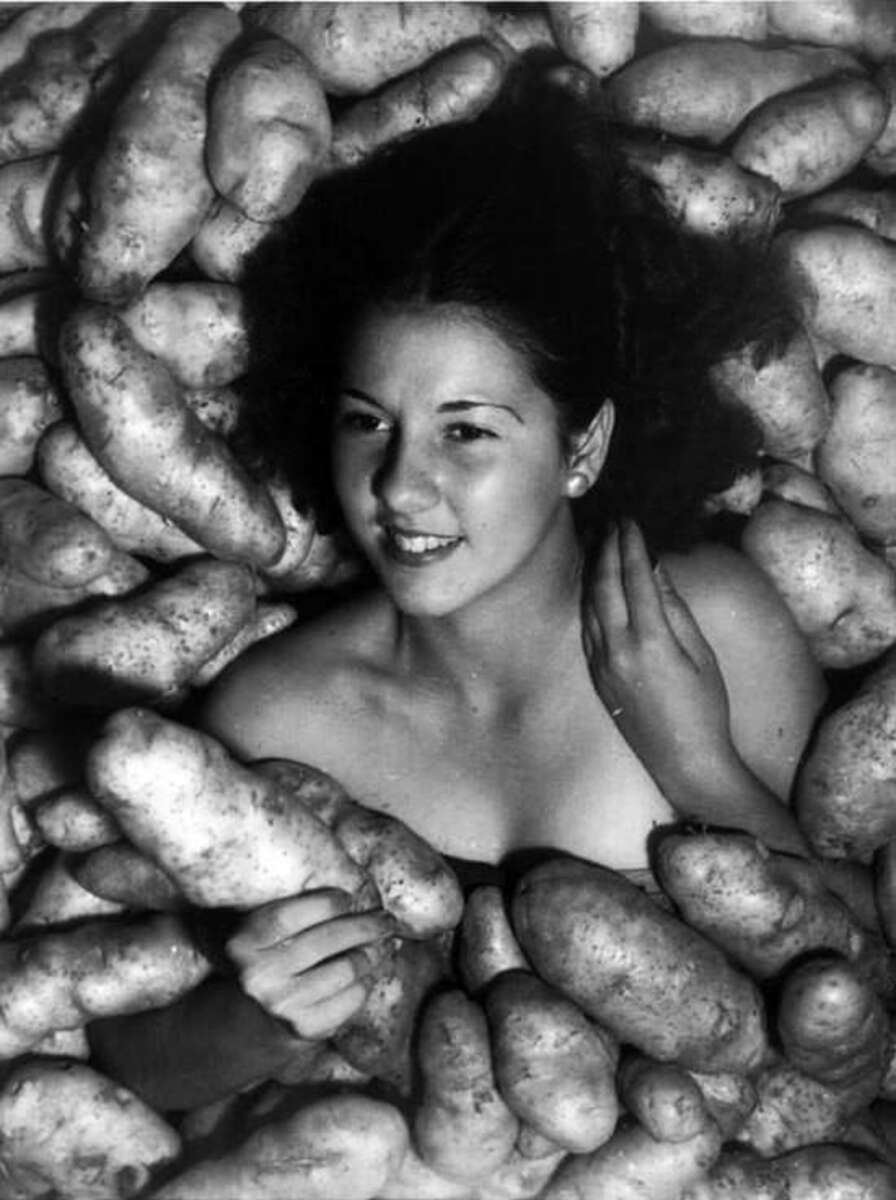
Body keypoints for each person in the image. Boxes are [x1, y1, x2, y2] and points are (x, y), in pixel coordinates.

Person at [89, 61, 828, 1110]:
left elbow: (860, 988)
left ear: (580, 447)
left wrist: (701, 767)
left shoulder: (711, 627)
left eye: (466, 431)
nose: (399, 484)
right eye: (367, 422)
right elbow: (130, 1066)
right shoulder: (276, 717)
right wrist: (249, 1014)